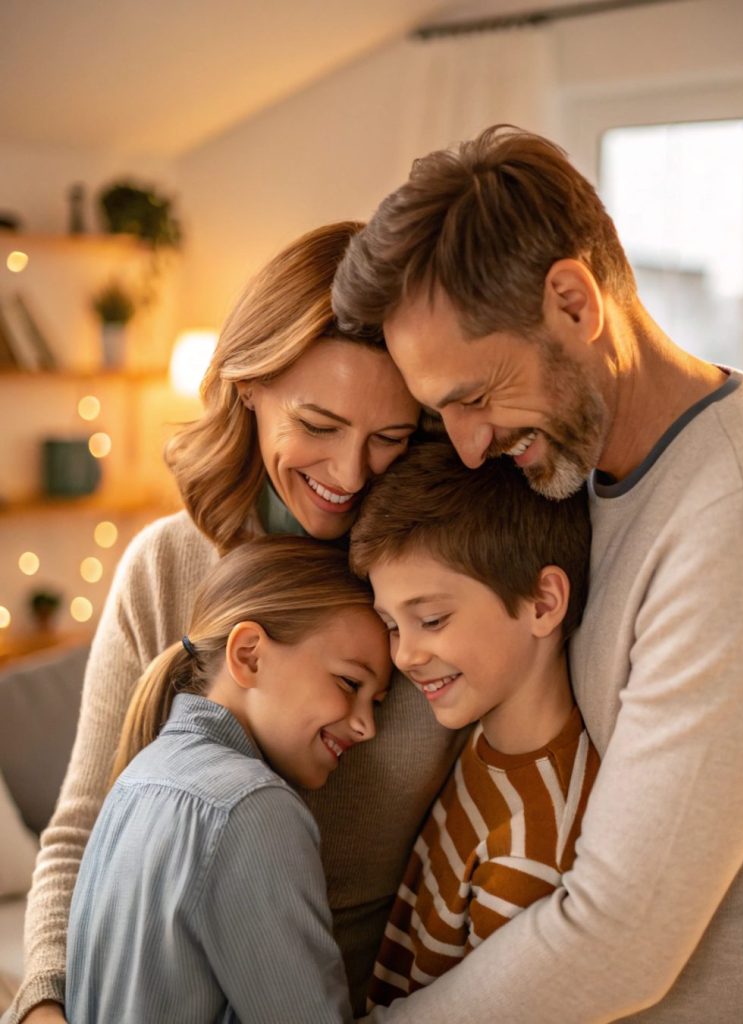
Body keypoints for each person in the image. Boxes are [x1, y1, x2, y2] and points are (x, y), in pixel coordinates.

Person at [332, 126, 743, 1022]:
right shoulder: (575, 468)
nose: (470, 444)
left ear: (572, 300)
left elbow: (619, 936)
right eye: (446, 411)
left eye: (476, 397)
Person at [6, 223, 463, 1024]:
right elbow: (78, 832)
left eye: (388, 438)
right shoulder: (163, 567)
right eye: (318, 425)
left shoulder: (443, 587)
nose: (349, 474)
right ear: (247, 385)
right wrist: (43, 1006)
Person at [66, 535, 391, 1024]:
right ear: (249, 655)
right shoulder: (252, 809)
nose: (367, 726)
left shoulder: (136, 780)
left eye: (378, 702)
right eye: (349, 683)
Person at [346, 442, 600, 1008]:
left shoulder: (532, 855)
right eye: (392, 625)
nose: (405, 655)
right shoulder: (485, 733)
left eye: (431, 619)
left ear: (541, 602)